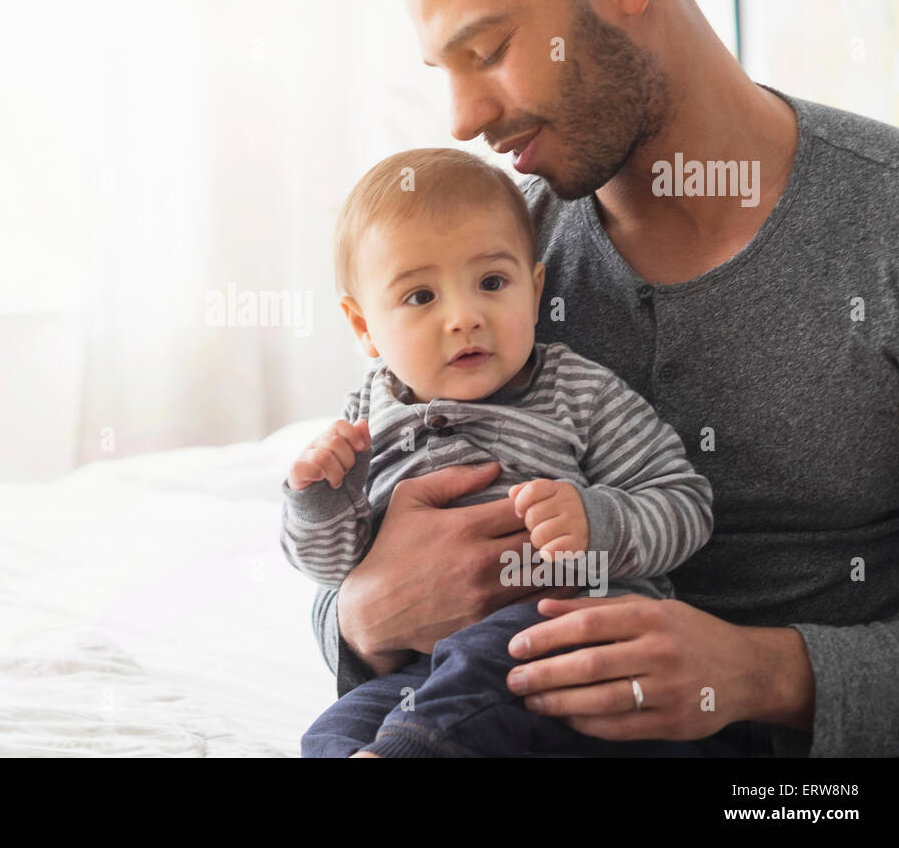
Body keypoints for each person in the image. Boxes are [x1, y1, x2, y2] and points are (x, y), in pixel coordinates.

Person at [312, 0, 899, 757]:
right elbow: (364, 525)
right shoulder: (497, 258)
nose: (464, 117)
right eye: (445, 70)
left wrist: (767, 673)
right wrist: (360, 615)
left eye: (488, 49)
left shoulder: (889, 226)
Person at [282, 148, 724, 756]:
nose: (464, 318)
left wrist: (596, 521)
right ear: (363, 326)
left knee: (482, 663)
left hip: (566, 639)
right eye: (420, 298)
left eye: (492, 283)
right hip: (425, 672)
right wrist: (317, 502)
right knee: (335, 728)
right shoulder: (365, 417)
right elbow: (335, 571)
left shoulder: (578, 391)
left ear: (535, 288)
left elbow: (684, 504)